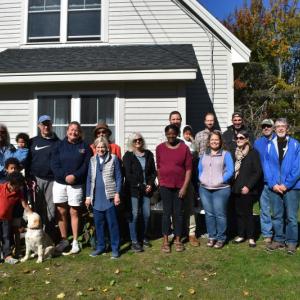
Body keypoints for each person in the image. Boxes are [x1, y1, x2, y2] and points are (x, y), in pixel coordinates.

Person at [51, 121, 92, 254]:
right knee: (61, 211)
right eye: (71, 129)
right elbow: (54, 164)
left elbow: (87, 165)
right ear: (67, 131)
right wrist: (65, 176)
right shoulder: (58, 145)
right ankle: (64, 240)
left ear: (80, 133)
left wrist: (75, 176)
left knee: (74, 212)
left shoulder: (85, 147)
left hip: (76, 184)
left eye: (76, 130)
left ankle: (75, 241)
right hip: (60, 183)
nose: (73, 132)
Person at [264, 118, 300, 255]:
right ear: (274, 129)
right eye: (277, 126)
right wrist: (273, 184)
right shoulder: (269, 145)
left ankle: (291, 242)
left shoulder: (296, 145)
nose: (280, 128)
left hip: (291, 187)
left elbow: (298, 167)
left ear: (287, 127)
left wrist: (286, 184)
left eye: (282, 126)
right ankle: (279, 239)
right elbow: (266, 166)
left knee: (291, 216)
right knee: (277, 215)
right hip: (274, 187)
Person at [156, 124, 192, 253]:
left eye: (173, 133)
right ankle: (165, 240)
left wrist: (184, 187)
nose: (171, 135)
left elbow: (188, 169)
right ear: (166, 134)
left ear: (177, 134)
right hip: (165, 186)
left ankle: (177, 239)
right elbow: (158, 167)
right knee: (166, 213)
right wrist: (160, 182)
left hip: (179, 187)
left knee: (177, 214)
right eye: (168, 133)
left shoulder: (184, 149)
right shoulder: (159, 148)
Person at [85, 137, 122, 259]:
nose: (100, 149)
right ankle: (100, 247)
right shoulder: (92, 160)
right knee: (98, 224)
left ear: (107, 148)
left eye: (103, 147)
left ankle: (115, 249)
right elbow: (89, 179)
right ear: (95, 148)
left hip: (109, 197)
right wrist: (88, 196)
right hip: (96, 198)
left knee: (112, 224)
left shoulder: (113, 159)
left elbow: (118, 177)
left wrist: (117, 193)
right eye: (98, 147)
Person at [198, 131, 234, 249]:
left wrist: (220, 180)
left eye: (216, 140)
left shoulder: (225, 154)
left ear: (220, 141)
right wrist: (201, 178)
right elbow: (199, 169)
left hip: (221, 189)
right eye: (212, 139)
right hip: (205, 189)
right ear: (209, 142)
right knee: (209, 214)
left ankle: (221, 238)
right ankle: (212, 236)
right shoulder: (204, 154)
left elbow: (230, 170)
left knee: (220, 214)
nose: (214, 141)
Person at [27, 115, 60, 242]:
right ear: (39, 126)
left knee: (50, 211)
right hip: (35, 180)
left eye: (48, 124)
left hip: (52, 181)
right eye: (43, 124)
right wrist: (27, 178)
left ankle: (50, 239)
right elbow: (27, 161)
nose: (46, 127)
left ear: (51, 125)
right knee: (36, 210)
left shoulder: (58, 142)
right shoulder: (32, 141)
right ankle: (36, 239)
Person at [123, 133, 156, 252]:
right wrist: (141, 185)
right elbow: (128, 174)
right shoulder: (128, 155)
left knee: (147, 214)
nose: (138, 141)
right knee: (135, 215)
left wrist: (150, 184)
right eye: (135, 140)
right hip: (133, 190)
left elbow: (153, 172)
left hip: (147, 189)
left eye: (139, 139)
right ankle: (134, 241)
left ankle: (144, 237)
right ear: (131, 142)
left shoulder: (148, 154)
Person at [232, 130, 262, 248]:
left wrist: (248, 186)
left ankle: (251, 237)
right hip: (236, 188)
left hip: (248, 189)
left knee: (248, 214)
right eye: (237, 138)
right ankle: (241, 235)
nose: (239, 140)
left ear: (247, 139)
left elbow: (257, 172)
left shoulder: (253, 153)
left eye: (241, 138)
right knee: (239, 213)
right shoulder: (235, 153)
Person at [0, 172, 31, 264]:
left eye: (19, 186)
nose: (17, 189)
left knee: (6, 237)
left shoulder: (18, 193)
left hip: (6, 219)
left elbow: (24, 204)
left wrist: (32, 213)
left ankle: (8, 256)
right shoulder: (1, 187)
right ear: (10, 183)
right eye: (16, 186)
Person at [254, 119, 275, 243]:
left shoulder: (279, 141)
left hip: (277, 182)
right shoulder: (258, 143)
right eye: (264, 126)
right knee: (264, 209)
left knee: (278, 209)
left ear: (273, 127)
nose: (266, 128)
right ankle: (267, 233)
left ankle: (279, 232)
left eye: (268, 126)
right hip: (263, 182)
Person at [181, 125, 199, 246]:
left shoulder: (193, 146)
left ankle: (191, 232)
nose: (187, 135)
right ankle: (178, 232)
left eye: (189, 133)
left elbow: (195, 164)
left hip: (190, 181)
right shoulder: (179, 144)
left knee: (190, 208)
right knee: (176, 208)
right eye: (185, 133)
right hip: (177, 181)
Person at [4, 158, 24, 257]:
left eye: (15, 168)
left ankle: (18, 249)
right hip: (5, 213)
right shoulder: (3, 183)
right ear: (6, 169)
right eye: (11, 168)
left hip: (17, 211)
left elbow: (23, 200)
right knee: (5, 232)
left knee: (16, 230)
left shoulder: (21, 182)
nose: (13, 170)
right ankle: (8, 250)